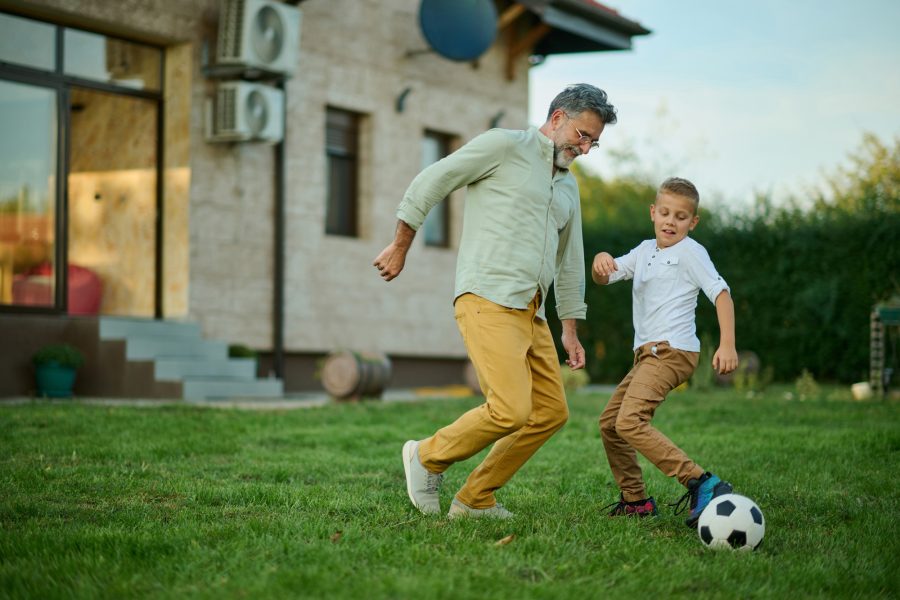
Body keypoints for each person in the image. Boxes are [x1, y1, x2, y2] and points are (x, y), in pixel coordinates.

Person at [373, 84, 617, 519]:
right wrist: (400, 244)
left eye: (593, 142)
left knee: (550, 413)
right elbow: (434, 179)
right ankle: (427, 456)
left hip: (532, 310)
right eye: (583, 135)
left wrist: (570, 329)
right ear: (558, 117)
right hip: (487, 295)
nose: (585, 148)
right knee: (510, 408)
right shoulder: (504, 146)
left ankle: (475, 498)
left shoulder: (568, 188)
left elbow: (570, 260)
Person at [590, 176, 738, 527]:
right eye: (666, 213)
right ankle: (636, 501)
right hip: (647, 355)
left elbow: (721, 294)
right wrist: (600, 260)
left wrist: (727, 343)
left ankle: (703, 482)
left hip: (673, 352)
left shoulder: (691, 252)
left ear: (693, 222)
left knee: (630, 420)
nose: (672, 221)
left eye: (682, 216)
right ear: (653, 213)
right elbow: (607, 276)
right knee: (611, 424)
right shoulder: (644, 251)